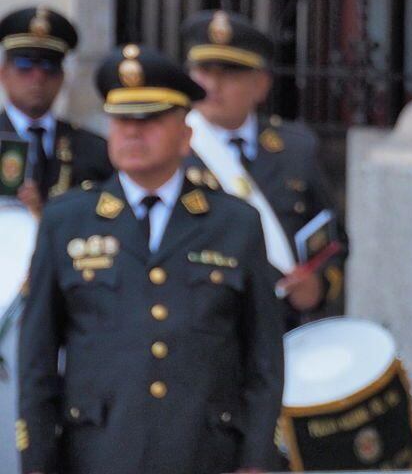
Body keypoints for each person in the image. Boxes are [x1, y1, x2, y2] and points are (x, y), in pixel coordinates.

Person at [17, 44, 284, 474]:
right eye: (122, 120)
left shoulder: (235, 223)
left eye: (150, 120)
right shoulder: (67, 220)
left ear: (186, 135)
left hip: (205, 452)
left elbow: (264, 357)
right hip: (97, 453)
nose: (132, 133)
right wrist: (37, 461)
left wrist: (256, 459)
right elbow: (37, 359)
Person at [180, 10, 348, 326]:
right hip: (204, 325)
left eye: (229, 74)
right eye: (203, 71)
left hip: (281, 324)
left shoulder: (296, 149)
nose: (213, 84)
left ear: (260, 85)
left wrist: (318, 286)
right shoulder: (173, 150)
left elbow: (332, 242)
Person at [0, 6, 112, 215]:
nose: (38, 77)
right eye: (25, 65)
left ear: (62, 77)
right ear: (3, 73)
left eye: (49, 66)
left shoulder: (94, 150)